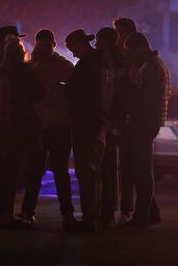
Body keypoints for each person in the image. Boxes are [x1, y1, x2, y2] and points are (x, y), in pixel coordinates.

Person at [18, 29, 76, 230]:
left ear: (53, 44)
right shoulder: (33, 67)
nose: (42, 48)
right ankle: (28, 211)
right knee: (35, 172)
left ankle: (66, 214)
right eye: (40, 45)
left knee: (60, 172)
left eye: (46, 45)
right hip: (40, 128)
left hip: (59, 126)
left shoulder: (65, 67)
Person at [66, 29, 114, 232]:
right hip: (101, 125)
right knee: (96, 173)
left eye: (72, 49)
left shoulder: (86, 66)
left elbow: (76, 93)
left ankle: (90, 219)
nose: (73, 54)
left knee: (87, 173)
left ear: (80, 44)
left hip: (87, 126)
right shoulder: (105, 65)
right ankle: (99, 217)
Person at [122, 32, 171, 228]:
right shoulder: (154, 65)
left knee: (141, 170)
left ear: (139, 48)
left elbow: (143, 99)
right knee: (140, 168)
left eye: (130, 51)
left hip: (144, 123)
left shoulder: (150, 68)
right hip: (148, 122)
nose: (129, 56)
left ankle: (142, 215)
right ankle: (151, 212)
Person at [0, 37, 44, 228]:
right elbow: (40, 93)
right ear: (22, 54)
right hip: (28, 127)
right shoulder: (26, 73)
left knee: (8, 172)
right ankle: (27, 211)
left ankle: (5, 211)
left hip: (7, 128)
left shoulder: (1, 74)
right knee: (33, 171)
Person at [95, 27, 128, 228]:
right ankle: (108, 211)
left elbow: (111, 98)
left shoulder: (108, 66)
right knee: (109, 169)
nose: (96, 44)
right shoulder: (122, 64)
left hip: (107, 122)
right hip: (114, 123)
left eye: (99, 40)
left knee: (105, 169)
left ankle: (105, 211)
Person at [113, 17, 138, 225]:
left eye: (122, 33)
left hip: (130, 119)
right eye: (117, 33)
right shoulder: (113, 57)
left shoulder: (134, 61)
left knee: (129, 166)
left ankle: (127, 208)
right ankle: (116, 207)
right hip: (115, 116)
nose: (119, 38)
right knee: (117, 166)